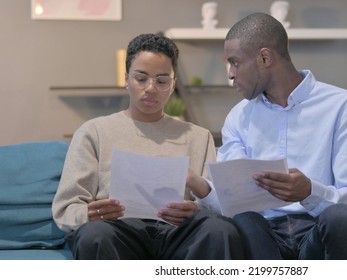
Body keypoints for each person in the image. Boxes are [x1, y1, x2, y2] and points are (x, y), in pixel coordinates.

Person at [189, 13, 347, 260]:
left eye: (235, 63)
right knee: (244, 218)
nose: (231, 74)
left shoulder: (342, 105)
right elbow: (234, 200)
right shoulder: (238, 117)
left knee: (341, 215)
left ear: (265, 58)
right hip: (262, 236)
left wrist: (309, 192)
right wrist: (199, 186)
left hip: (319, 229)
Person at [52, 33, 244, 260]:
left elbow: (217, 205)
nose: (151, 88)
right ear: (126, 79)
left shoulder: (198, 137)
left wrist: (195, 210)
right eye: (141, 78)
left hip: (178, 233)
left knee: (220, 230)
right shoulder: (93, 132)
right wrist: (90, 214)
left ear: (172, 85)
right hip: (117, 230)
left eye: (162, 81)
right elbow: (66, 208)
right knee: (94, 235)